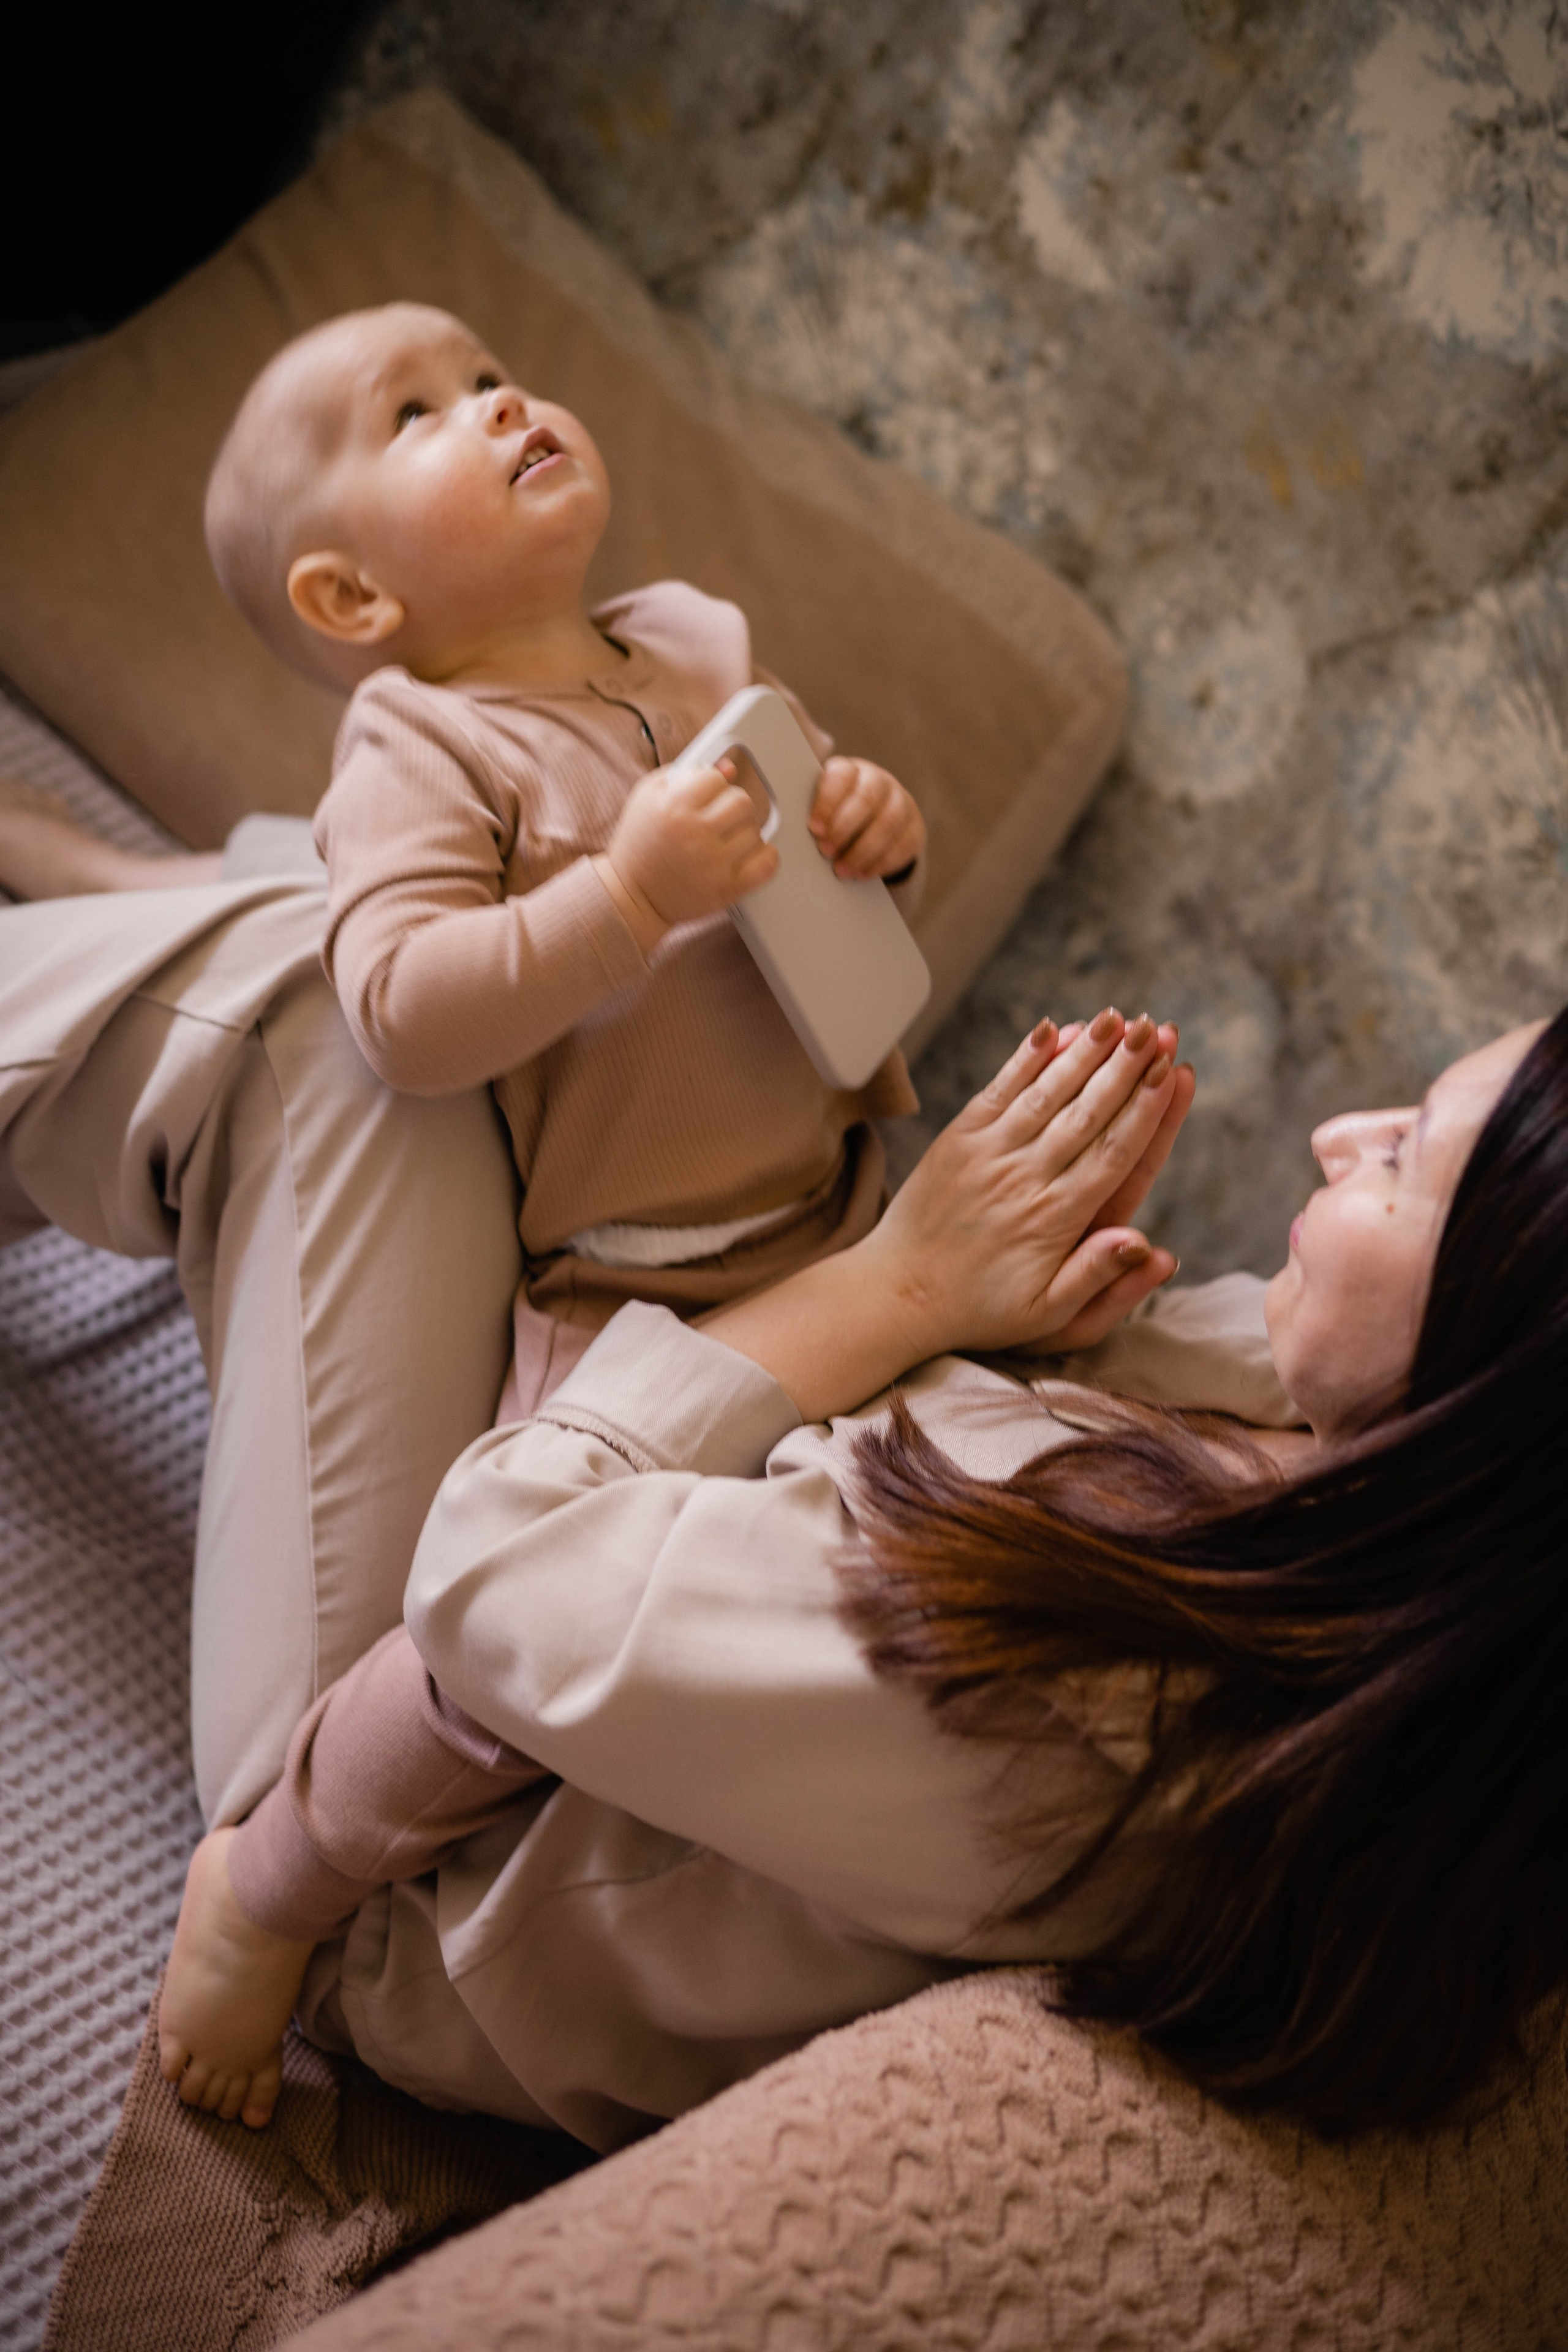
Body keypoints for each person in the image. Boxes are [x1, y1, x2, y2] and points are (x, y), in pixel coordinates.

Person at [150, 997, 1568, 2146]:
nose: (1337, 1137)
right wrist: (1020, 1270)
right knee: (447, 972)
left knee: (313, 1032)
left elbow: (491, 1591)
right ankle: (106, 871)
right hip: (608, 1559)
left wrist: (901, 1283)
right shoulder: (1348, 1486)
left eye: (1402, 1163)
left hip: (412, 1861)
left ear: (1491, 1397)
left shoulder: (1096, 1700)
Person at [1, 300, 933, 1415]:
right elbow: (399, 1010)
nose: (500, 399)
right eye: (413, 413)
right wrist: (630, 896)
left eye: (489, 369)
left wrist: (875, 836)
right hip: (627, 1298)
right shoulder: (419, 747)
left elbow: (835, 899)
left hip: (848, 1207)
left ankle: (88, 864)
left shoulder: (697, 653)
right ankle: (68, 865)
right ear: (352, 595)